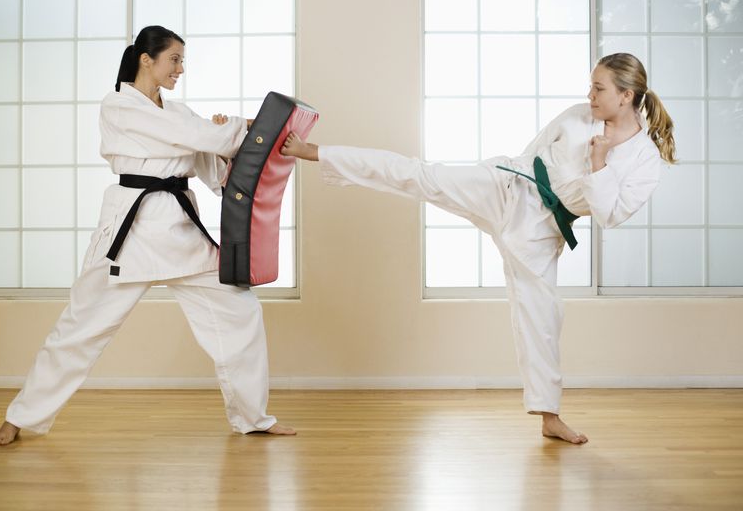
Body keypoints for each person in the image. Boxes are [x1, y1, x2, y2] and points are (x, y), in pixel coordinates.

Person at [280, 53, 675, 444]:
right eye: (591, 85)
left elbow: (610, 215)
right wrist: (513, 182)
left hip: (541, 233)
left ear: (625, 96)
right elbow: (533, 151)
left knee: (543, 319)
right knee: (422, 175)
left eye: (598, 88)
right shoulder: (577, 115)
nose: (589, 94)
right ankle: (316, 152)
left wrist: (600, 163)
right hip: (507, 188)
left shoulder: (645, 159)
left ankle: (550, 417)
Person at [0, 25, 295, 446]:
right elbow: (198, 138)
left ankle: (253, 417)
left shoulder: (179, 111)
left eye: (183, 61)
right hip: (129, 230)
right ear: (146, 60)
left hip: (181, 230)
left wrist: (227, 141)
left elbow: (209, 157)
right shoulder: (119, 105)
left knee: (240, 313)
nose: (181, 69)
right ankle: (20, 417)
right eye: (175, 59)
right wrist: (241, 127)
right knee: (80, 327)